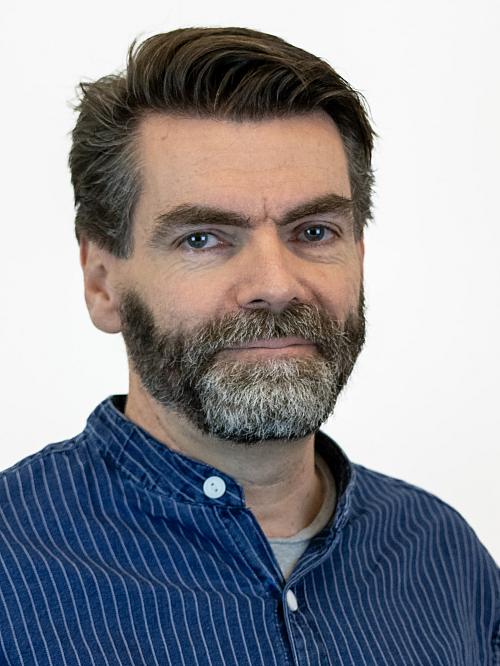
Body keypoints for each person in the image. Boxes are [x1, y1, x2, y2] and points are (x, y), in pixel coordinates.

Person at [0, 26, 498, 666]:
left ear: (360, 255)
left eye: (314, 231)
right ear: (102, 284)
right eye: (202, 238)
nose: (275, 285)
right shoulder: (13, 566)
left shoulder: (444, 557)